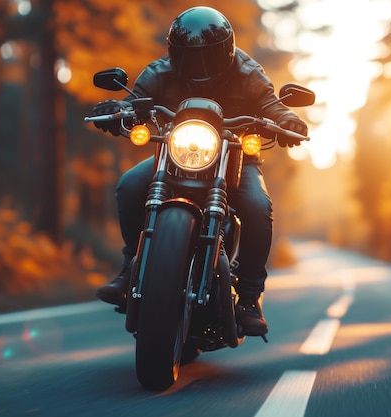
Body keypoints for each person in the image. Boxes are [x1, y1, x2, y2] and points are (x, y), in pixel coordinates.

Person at [91, 6, 308, 337]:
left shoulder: (248, 71)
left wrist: (286, 119)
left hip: (234, 161)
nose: (200, 65)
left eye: (208, 56)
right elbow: (135, 100)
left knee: (258, 206)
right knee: (130, 185)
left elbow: (270, 103)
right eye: (190, 57)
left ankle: (249, 298)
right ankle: (130, 267)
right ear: (175, 54)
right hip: (177, 156)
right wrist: (119, 109)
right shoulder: (160, 71)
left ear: (227, 50)